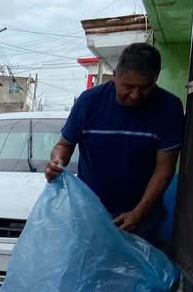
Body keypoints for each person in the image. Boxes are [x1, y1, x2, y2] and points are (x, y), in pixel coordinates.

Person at [45, 42, 185, 248]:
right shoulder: (89, 102)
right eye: (128, 87)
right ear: (114, 76)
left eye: (145, 87)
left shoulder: (169, 108)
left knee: (135, 277)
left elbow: (165, 168)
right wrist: (57, 161)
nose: (136, 95)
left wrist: (138, 214)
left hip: (142, 222)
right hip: (90, 218)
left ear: (156, 79)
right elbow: (64, 145)